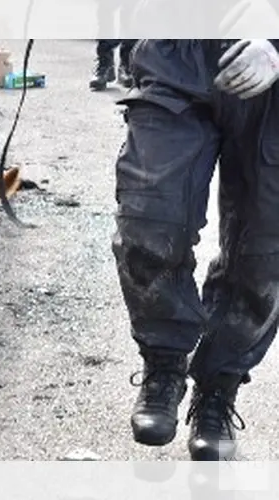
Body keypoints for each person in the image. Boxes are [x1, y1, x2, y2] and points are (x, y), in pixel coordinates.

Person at [112, 39, 279, 460]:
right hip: (177, 51)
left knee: (265, 255)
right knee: (149, 223)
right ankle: (165, 365)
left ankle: (218, 390)